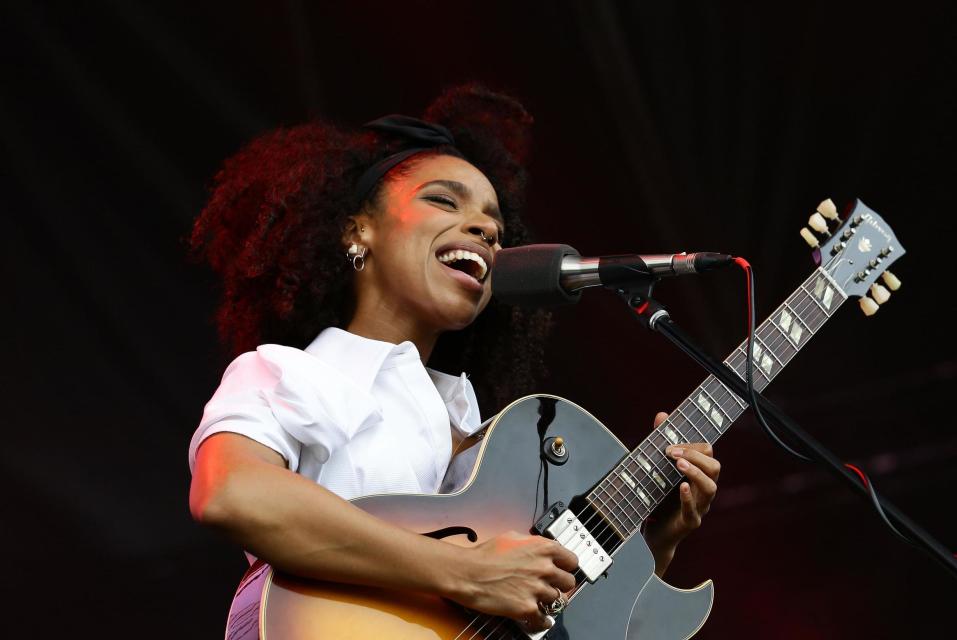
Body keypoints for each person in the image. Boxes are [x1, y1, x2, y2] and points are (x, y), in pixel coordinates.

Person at [187, 84, 721, 634]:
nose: (486, 230)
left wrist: (650, 545)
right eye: (444, 200)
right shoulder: (290, 374)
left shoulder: (480, 435)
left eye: (495, 224)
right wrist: (463, 571)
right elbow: (231, 492)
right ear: (357, 229)